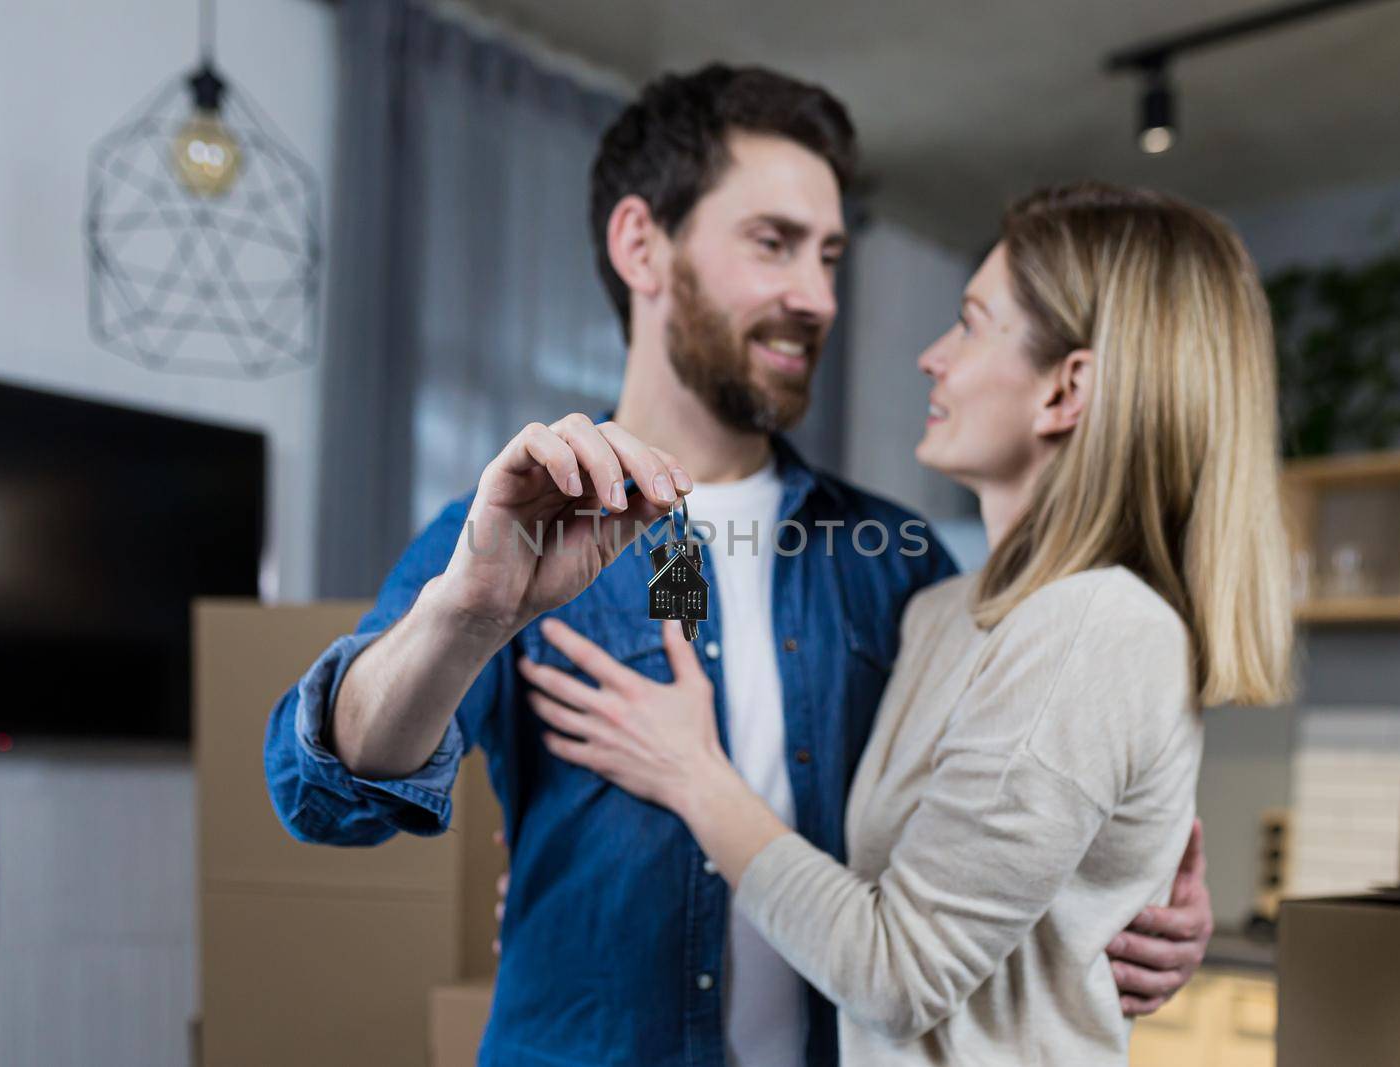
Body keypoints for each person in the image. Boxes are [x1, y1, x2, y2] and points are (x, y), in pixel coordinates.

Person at [263, 65, 1215, 1067]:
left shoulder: (902, 567)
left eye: (832, 256)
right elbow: (325, 797)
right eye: (773, 243)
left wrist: (1117, 906)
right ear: (642, 244)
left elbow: (997, 834)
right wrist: (466, 614)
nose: (815, 297)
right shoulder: (500, 534)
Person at [522, 181, 1293, 1064]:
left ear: (1065, 390)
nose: (932, 356)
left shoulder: (1093, 630)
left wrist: (692, 772)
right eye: (772, 242)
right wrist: (571, 868)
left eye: (970, 322)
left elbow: (900, 971)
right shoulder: (935, 608)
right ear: (640, 253)